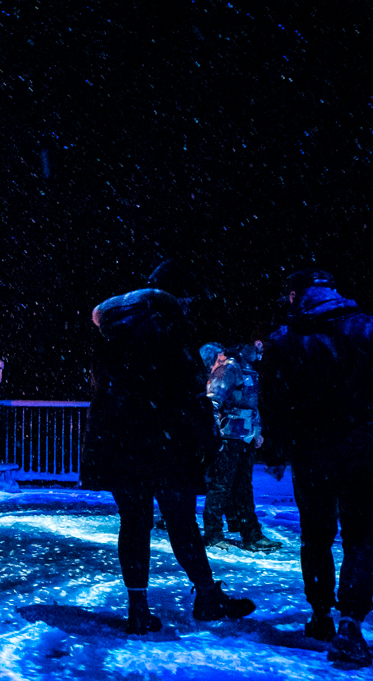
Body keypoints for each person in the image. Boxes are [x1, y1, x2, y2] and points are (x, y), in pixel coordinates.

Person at [259, 270, 373, 666]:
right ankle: (351, 622)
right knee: (361, 537)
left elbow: (273, 401)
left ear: (297, 296)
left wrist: (277, 448)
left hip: (312, 451)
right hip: (367, 449)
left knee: (315, 536)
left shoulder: (284, 340)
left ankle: (320, 615)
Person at [82, 264, 256, 635]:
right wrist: (204, 438)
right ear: (179, 296)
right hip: (165, 443)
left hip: (120, 444)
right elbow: (189, 389)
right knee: (181, 521)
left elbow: (100, 388)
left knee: (134, 521)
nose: (192, 306)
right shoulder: (169, 325)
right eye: (190, 299)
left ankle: (138, 608)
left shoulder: (110, 331)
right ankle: (207, 596)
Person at [202, 340, 277, 552]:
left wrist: (257, 430)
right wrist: (215, 434)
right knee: (221, 485)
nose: (261, 348)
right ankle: (213, 534)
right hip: (228, 437)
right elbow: (214, 401)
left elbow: (252, 404)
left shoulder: (249, 369)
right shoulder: (230, 367)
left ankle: (251, 534)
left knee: (244, 487)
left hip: (245, 437)